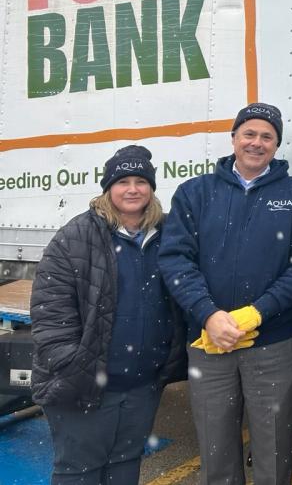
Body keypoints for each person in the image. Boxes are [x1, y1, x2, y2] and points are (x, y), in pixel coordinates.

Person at [159, 102, 292, 485]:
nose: (257, 142)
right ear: (233, 138)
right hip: (209, 342)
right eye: (249, 133)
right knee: (216, 458)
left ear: (277, 145)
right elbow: (175, 260)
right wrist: (209, 314)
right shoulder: (194, 193)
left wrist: (258, 312)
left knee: (274, 454)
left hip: (273, 346)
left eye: (267, 136)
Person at [30, 145, 185, 485]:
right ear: (108, 187)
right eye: (123, 181)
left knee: (125, 465)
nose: (132, 189)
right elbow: (50, 311)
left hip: (143, 384)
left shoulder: (169, 234)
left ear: (152, 188)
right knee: (80, 471)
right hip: (88, 383)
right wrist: (75, 365)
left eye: (141, 181)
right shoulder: (77, 236)